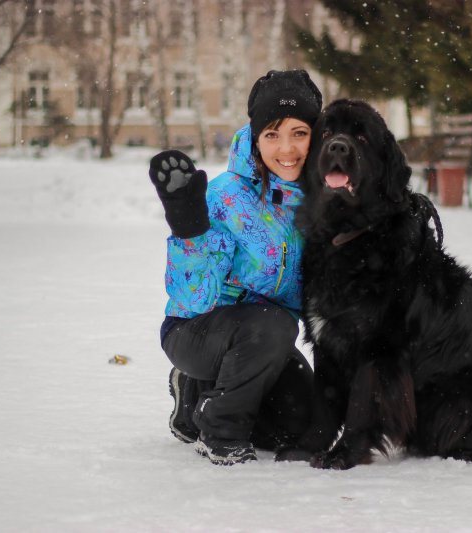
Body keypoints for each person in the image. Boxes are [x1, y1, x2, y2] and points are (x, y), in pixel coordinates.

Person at [148, 70, 323, 465]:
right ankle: (220, 429)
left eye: (299, 133)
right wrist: (190, 230)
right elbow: (193, 299)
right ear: (256, 138)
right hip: (196, 329)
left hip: (265, 343)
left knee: (299, 426)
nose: (287, 148)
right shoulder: (227, 196)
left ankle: (195, 400)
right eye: (272, 134)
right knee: (274, 324)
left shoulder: (323, 200)